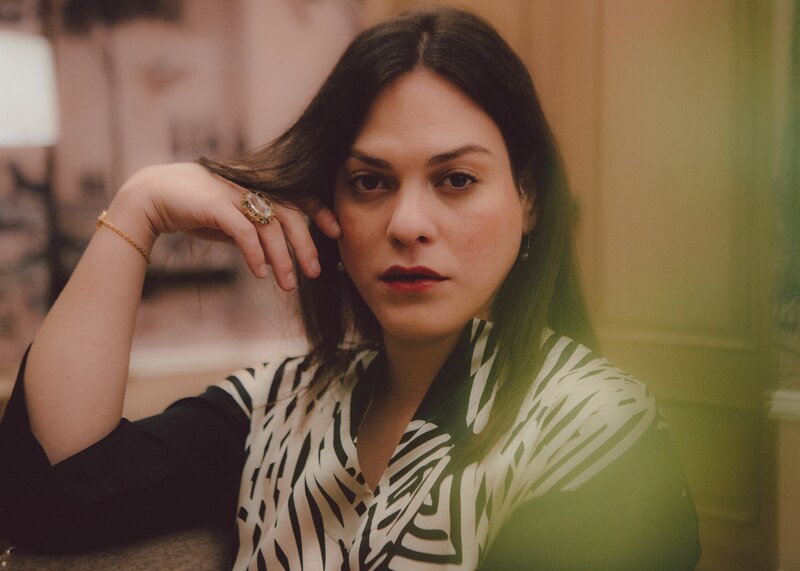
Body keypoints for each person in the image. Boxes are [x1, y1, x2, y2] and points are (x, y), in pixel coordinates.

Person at [0, 7, 701, 570]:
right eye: (371, 182)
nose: (408, 223)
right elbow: (51, 496)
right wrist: (139, 206)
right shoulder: (282, 405)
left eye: (456, 179)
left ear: (530, 199)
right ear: (329, 207)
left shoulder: (592, 428)